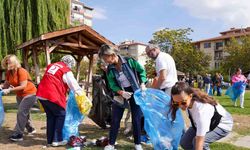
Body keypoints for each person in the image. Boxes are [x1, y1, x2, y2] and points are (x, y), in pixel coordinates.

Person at [98, 44, 147, 150]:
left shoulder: (129, 61)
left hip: (135, 91)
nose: (106, 62)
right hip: (120, 94)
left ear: (112, 54)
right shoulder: (110, 69)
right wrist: (121, 92)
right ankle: (111, 143)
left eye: (106, 58)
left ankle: (137, 143)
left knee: (136, 118)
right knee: (115, 118)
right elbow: (112, 84)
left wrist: (143, 83)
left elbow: (141, 71)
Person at [170, 81, 233, 150]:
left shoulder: (201, 110)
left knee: (197, 142)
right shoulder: (188, 102)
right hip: (206, 123)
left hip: (223, 124)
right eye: (176, 103)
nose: (180, 106)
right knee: (184, 142)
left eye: (183, 102)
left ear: (190, 96)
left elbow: (200, 141)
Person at [36, 55, 83, 147]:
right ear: (70, 64)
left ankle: (50, 140)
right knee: (61, 114)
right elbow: (72, 83)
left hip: (41, 94)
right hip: (51, 95)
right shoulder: (65, 70)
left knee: (51, 117)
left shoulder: (52, 66)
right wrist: (80, 94)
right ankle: (57, 140)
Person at [0, 54, 37, 141]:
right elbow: (7, 84)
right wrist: (1, 86)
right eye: (6, 62)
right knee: (24, 112)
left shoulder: (21, 71)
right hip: (20, 95)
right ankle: (31, 128)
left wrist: (9, 90)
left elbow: (23, 86)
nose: (7, 63)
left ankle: (18, 134)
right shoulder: (9, 72)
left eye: (9, 62)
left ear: (14, 63)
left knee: (21, 112)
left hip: (30, 93)